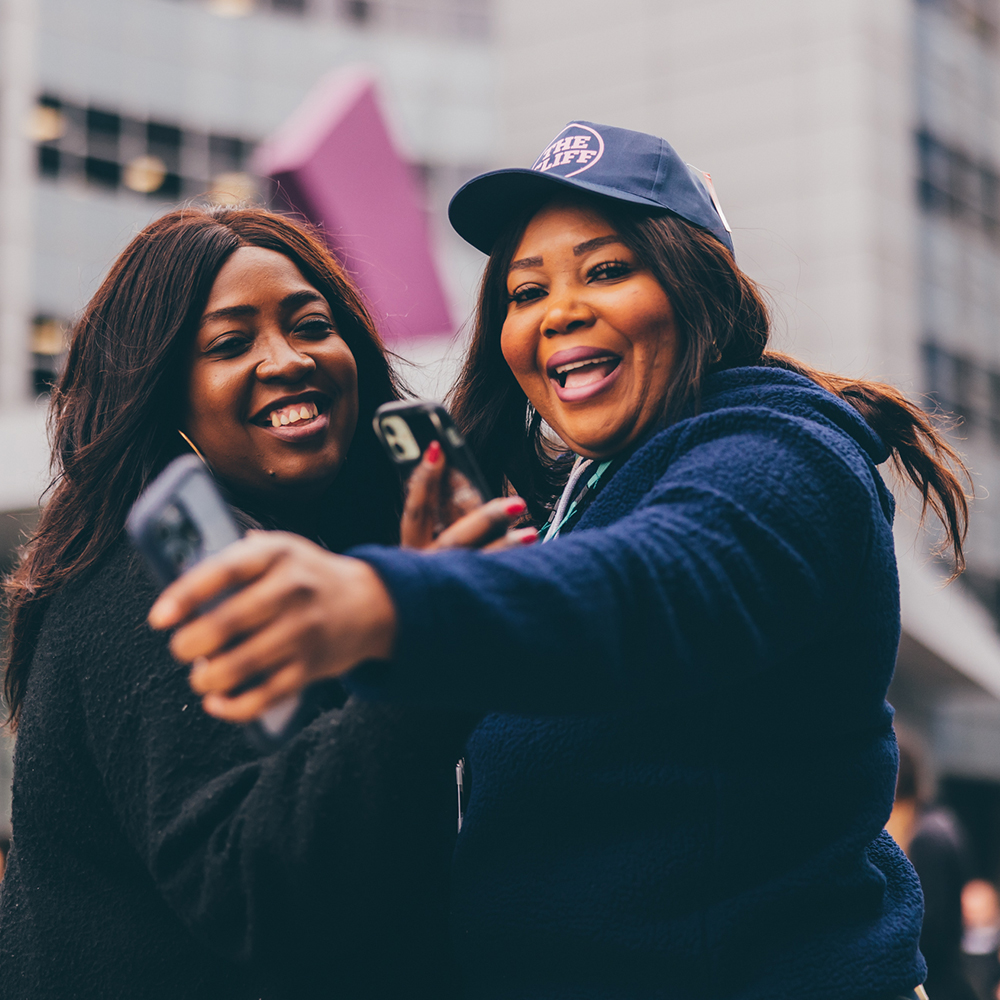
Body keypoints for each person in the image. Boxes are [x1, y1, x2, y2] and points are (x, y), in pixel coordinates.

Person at [152, 123, 970, 999]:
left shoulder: (780, 447)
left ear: (700, 288)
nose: (559, 311)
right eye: (524, 290)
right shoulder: (596, 486)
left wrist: (385, 602)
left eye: (607, 270)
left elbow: (664, 584)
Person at [0, 206, 523, 1000]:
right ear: (159, 394)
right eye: (230, 343)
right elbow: (262, 896)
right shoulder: (155, 589)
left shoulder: (332, 570)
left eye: (311, 326)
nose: (287, 360)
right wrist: (430, 650)